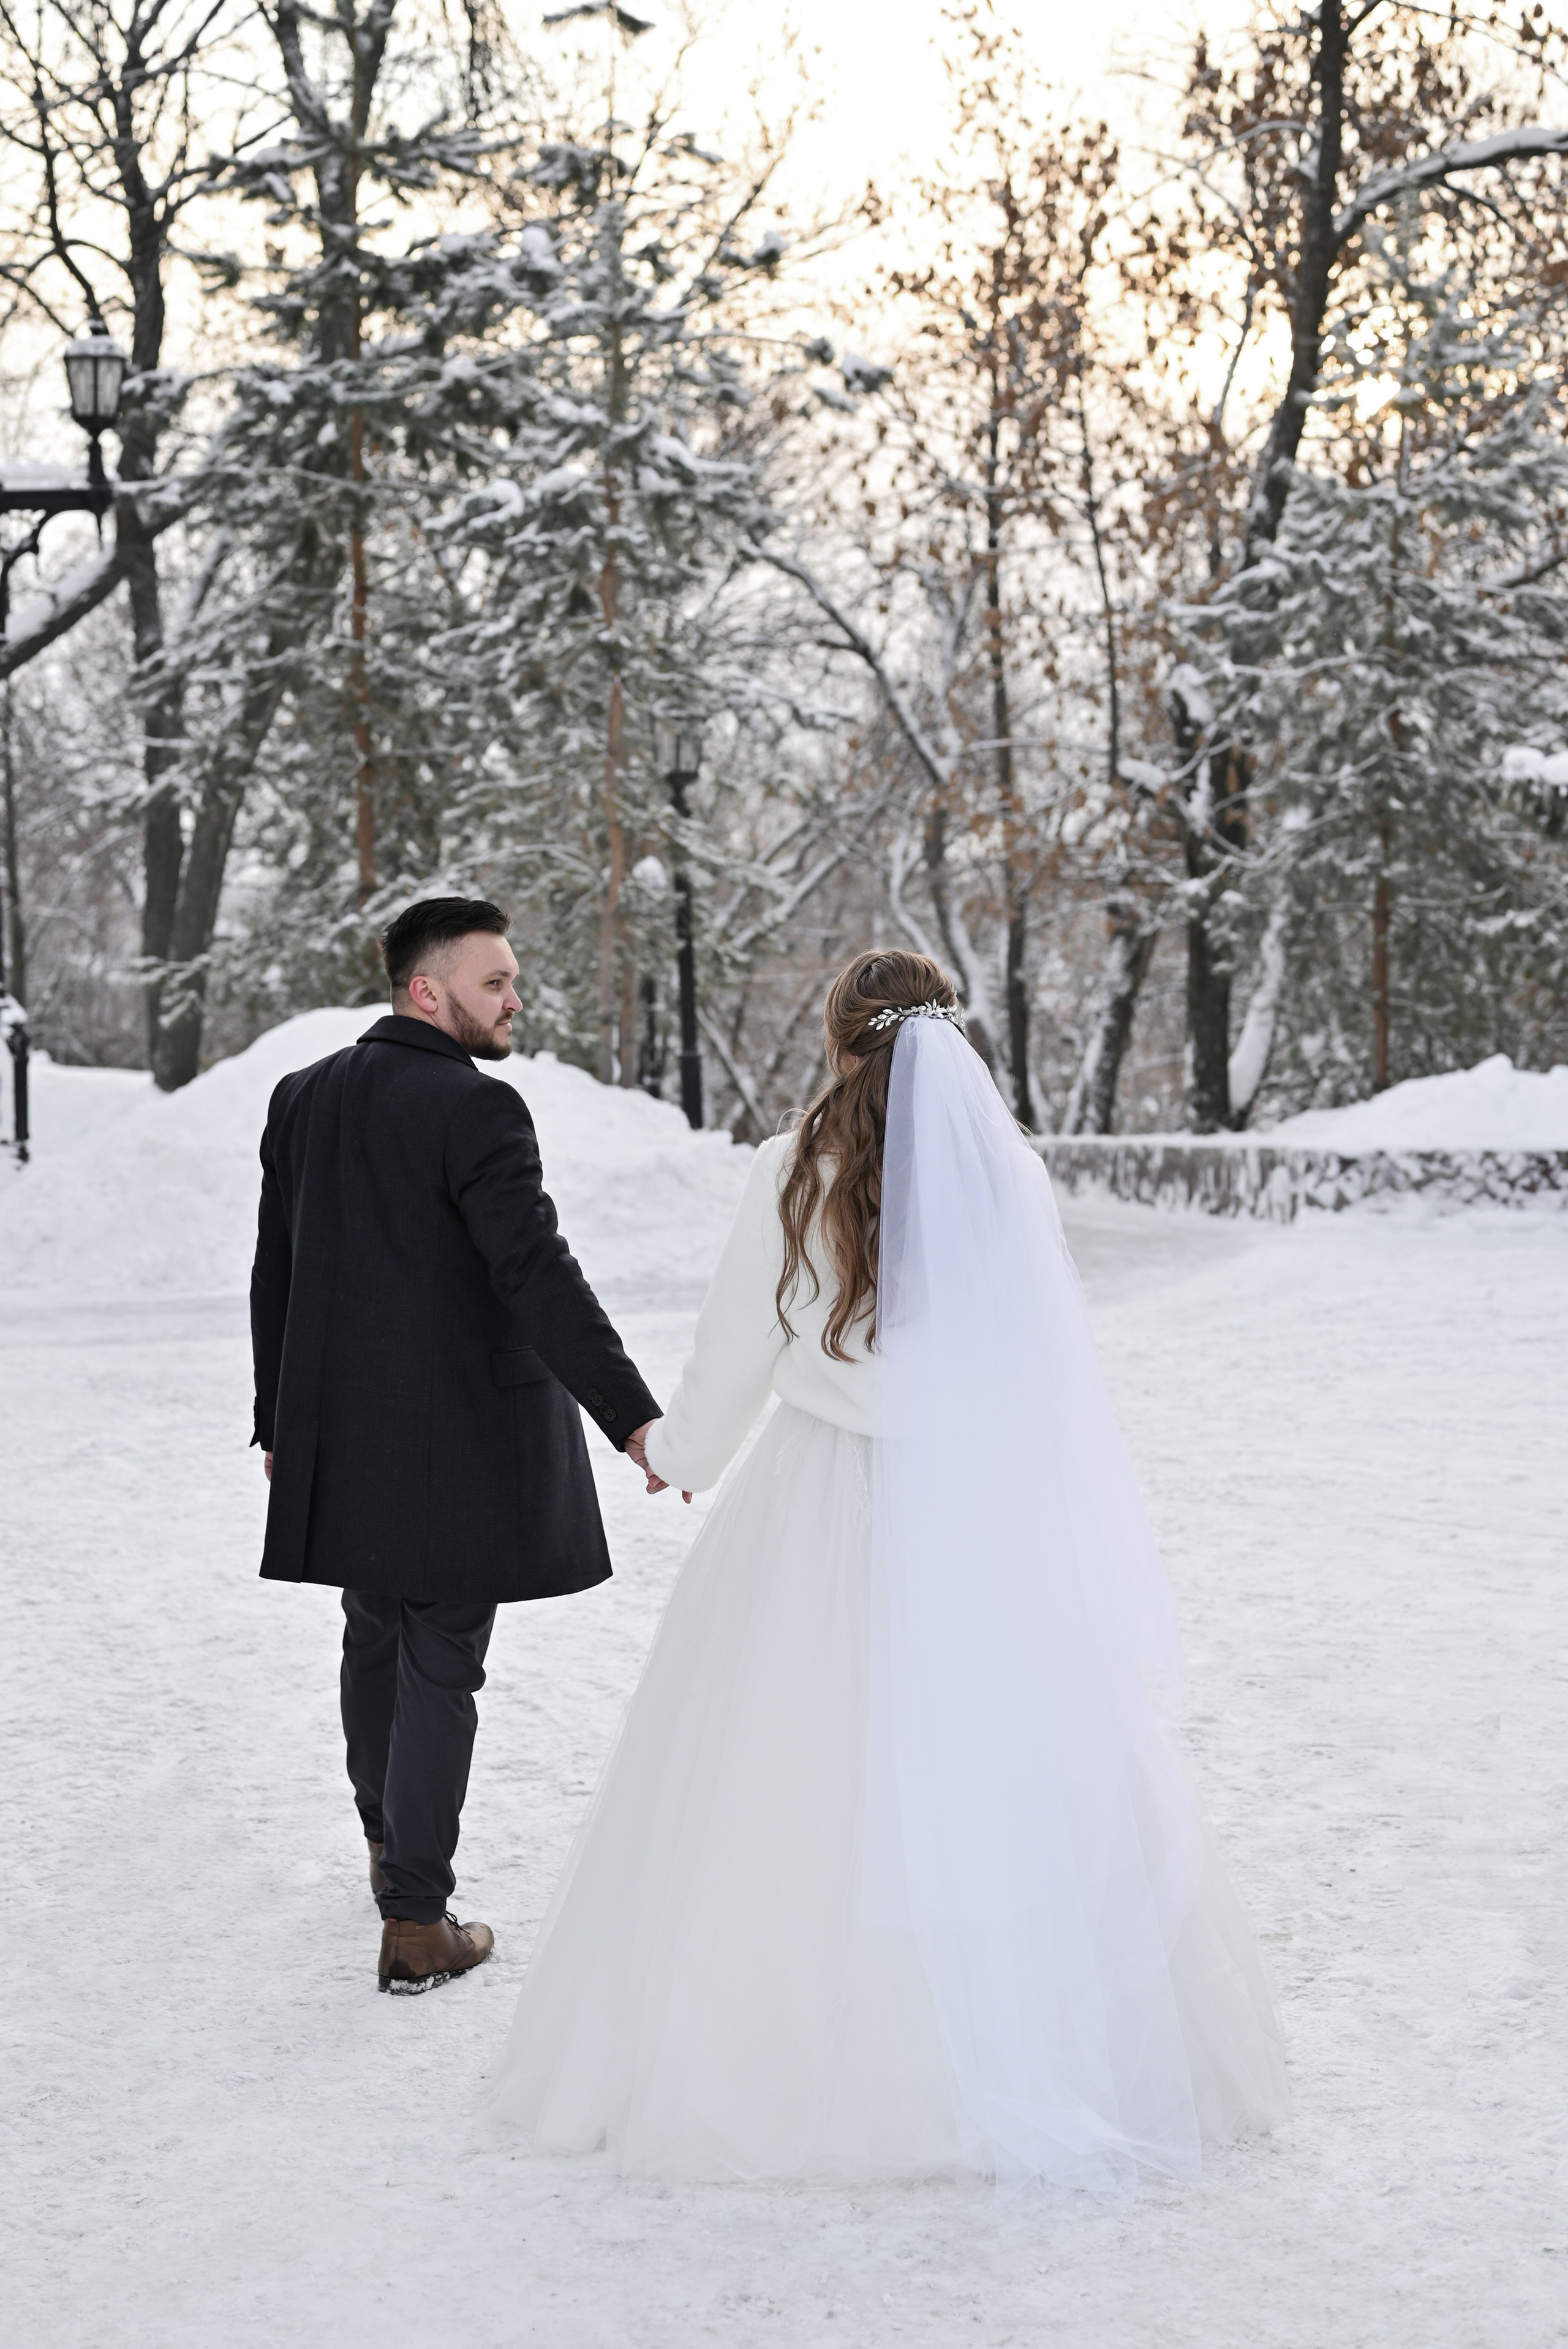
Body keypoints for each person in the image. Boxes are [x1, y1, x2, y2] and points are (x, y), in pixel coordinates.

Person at [492, 947, 1290, 2188]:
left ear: (837, 1039)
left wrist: (678, 1447)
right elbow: (1039, 1363)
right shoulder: (1004, 1170)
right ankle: (1036, 2049)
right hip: (968, 1512)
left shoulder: (788, 1167)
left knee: (789, 1776)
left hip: (814, 1500)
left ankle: (797, 2071)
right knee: (996, 1776)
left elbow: (738, 1345)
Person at [250, 897, 661, 1994]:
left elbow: (274, 1277)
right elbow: (534, 1275)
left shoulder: (303, 1098)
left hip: (339, 1433)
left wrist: (275, 1423)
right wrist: (629, 1414)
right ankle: (418, 1925)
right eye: (495, 983)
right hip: (459, 1444)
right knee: (440, 1662)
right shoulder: (480, 1110)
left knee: (373, 1636)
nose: (516, 998)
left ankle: (391, 1850)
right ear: (427, 992)